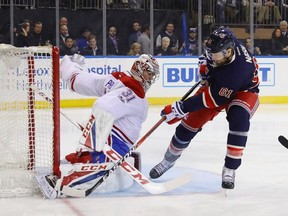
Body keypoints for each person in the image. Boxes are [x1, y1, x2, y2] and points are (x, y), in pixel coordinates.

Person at [149, 27, 260, 190]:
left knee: (239, 120)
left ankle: (230, 168)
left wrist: (181, 107)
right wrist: (205, 68)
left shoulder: (239, 69)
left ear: (228, 52)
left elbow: (213, 99)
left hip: (244, 91)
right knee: (188, 125)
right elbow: (209, 56)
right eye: (210, 53)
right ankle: (168, 160)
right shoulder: (223, 42)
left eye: (214, 55)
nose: (211, 57)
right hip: (219, 87)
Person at [39, 53, 160, 198]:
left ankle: (70, 165)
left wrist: (68, 66)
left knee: (88, 159)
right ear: (140, 69)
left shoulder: (118, 78)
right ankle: (58, 184)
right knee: (101, 166)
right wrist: (94, 131)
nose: (151, 78)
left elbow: (81, 81)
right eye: (149, 73)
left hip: (110, 138)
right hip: (115, 143)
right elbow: (103, 107)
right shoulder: (134, 93)